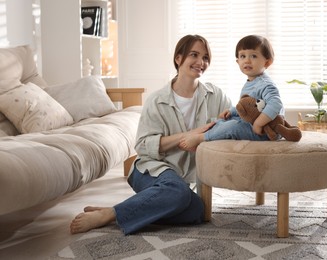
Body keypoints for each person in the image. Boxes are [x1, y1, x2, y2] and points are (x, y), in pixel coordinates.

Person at [69, 34, 232, 235]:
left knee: (198, 211)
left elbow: (232, 123)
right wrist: (188, 136)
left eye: (206, 57)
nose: (201, 62)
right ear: (178, 58)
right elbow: (143, 146)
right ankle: (110, 214)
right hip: (149, 170)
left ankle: (131, 207)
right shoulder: (157, 100)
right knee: (179, 193)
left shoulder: (215, 96)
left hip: (181, 179)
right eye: (194, 55)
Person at [179, 35, 284, 151]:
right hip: (252, 123)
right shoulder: (251, 82)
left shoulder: (265, 84)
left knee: (233, 127)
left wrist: (259, 124)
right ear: (238, 61)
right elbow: (247, 105)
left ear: (267, 62)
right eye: (243, 56)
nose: (247, 60)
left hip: (266, 130)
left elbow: (276, 103)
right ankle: (209, 132)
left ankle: (201, 138)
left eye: (253, 56)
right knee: (223, 121)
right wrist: (231, 111)